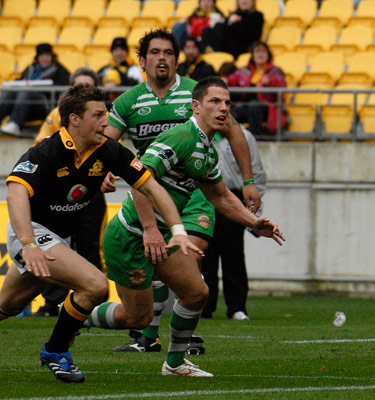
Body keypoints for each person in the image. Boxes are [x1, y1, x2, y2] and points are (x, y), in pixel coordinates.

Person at [0, 84, 196, 383]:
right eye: (97, 115)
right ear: (74, 119)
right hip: (32, 234)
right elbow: (15, 194)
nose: (106, 121)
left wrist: (178, 229)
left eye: (106, 114)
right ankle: (56, 351)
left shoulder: (108, 150)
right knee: (94, 285)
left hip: (58, 239)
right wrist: (28, 244)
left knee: (8, 303)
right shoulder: (47, 151)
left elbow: (151, 186)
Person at [84, 77, 285, 377]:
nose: (223, 108)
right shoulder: (179, 137)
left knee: (196, 293)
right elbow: (140, 181)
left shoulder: (207, 150)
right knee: (136, 318)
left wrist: (254, 221)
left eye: (227, 103)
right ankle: (76, 313)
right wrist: (150, 228)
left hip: (162, 236)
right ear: (195, 106)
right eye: (215, 101)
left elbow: (219, 195)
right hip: (132, 236)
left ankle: (174, 364)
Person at [97, 29, 261, 354]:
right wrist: (102, 172)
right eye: (155, 53)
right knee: (161, 267)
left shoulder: (198, 95)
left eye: (169, 53)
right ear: (142, 61)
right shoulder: (129, 101)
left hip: (195, 194)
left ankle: (181, 338)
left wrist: (248, 180)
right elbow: (105, 144)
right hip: (150, 193)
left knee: (188, 260)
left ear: (177, 58)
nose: (162, 58)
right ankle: (151, 334)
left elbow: (235, 134)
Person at [30, 67, 103, 317]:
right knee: (56, 245)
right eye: (79, 86)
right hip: (58, 194)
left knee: (90, 246)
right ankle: (52, 303)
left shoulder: (101, 119)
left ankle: (94, 302)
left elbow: (109, 153)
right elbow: (39, 147)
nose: (83, 91)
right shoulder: (55, 116)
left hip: (90, 193)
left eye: (88, 87)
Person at [201, 125, 266, 320]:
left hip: (234, 198)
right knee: (204, 254)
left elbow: (256, 172)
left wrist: (254, 213)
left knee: (234, 254)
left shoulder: (244, 136)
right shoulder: (197, 134)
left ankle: (237, 307)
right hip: (203, 198)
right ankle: (204, 306)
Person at [0, 43, 70, 137]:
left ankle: (15, 123)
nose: (45, 58)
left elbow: (63, 89)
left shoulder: (60, 70)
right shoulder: (30, 69)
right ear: (37, 57)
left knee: (27, 91)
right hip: (24, 104)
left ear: (52, 57)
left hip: (45, 105)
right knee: (10, 92)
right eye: (42, 56)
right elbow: (20, 81)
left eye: (47, 55)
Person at [227, 41, 287, 136]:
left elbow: (282, 84)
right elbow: (232, 80)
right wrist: (226, 81)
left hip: (268, 107)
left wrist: (270, 82)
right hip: (245, 106)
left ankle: (254, 139)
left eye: (263, 51)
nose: (260, 54)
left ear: (268, 55)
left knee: (254, 106)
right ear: (253, 55)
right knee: (230, 112)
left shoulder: (275, 71)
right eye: (257, 52)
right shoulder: (244, 70)